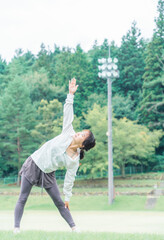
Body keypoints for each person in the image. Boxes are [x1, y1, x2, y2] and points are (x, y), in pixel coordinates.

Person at [14, 78, 96, 233]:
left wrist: (68, 198)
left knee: (59, 202)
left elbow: (69, 179)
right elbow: (68, 112)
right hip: (34, 163)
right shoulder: (68, 132)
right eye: (81, 131)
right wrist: (70, 95)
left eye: (82, 135)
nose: (78, 133)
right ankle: (16, 229)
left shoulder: (74, 159)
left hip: (48, 173)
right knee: (23, 198)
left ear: (83, 145)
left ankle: (74, 228)